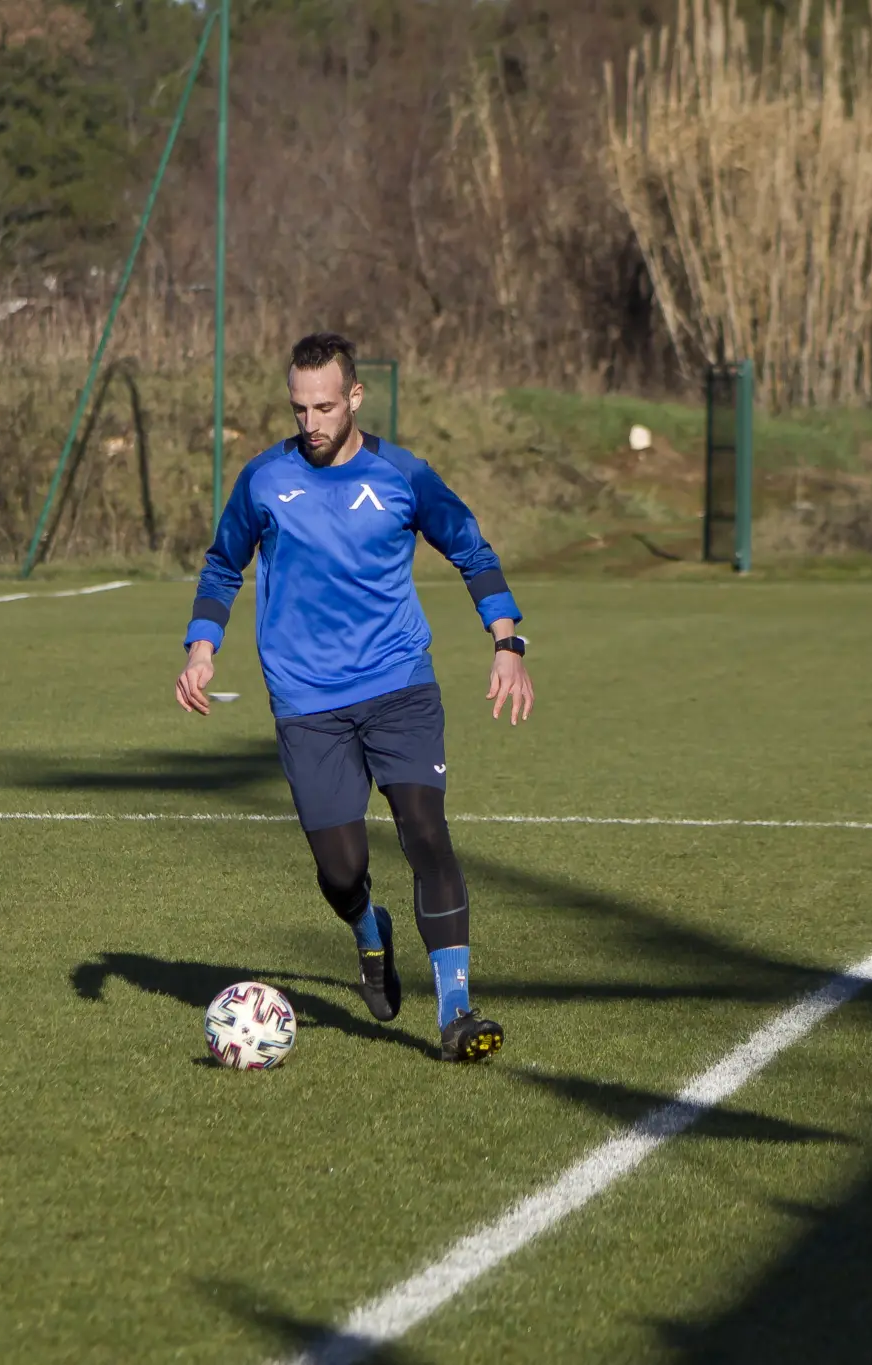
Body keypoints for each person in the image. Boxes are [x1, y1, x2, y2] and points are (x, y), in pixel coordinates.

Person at [175, 333, 534, 1062]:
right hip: (307, 700)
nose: (311, 422)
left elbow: (471, 548)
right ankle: (370, 929)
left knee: (425, 833)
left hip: (399, 684)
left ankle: (456, 1011)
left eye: (325, 407)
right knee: (340, 871)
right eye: (299, 408)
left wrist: (507, 641)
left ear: (356, 398)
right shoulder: (264, 479)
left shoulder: (403, 475)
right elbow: (222, 564)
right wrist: (202, 644)